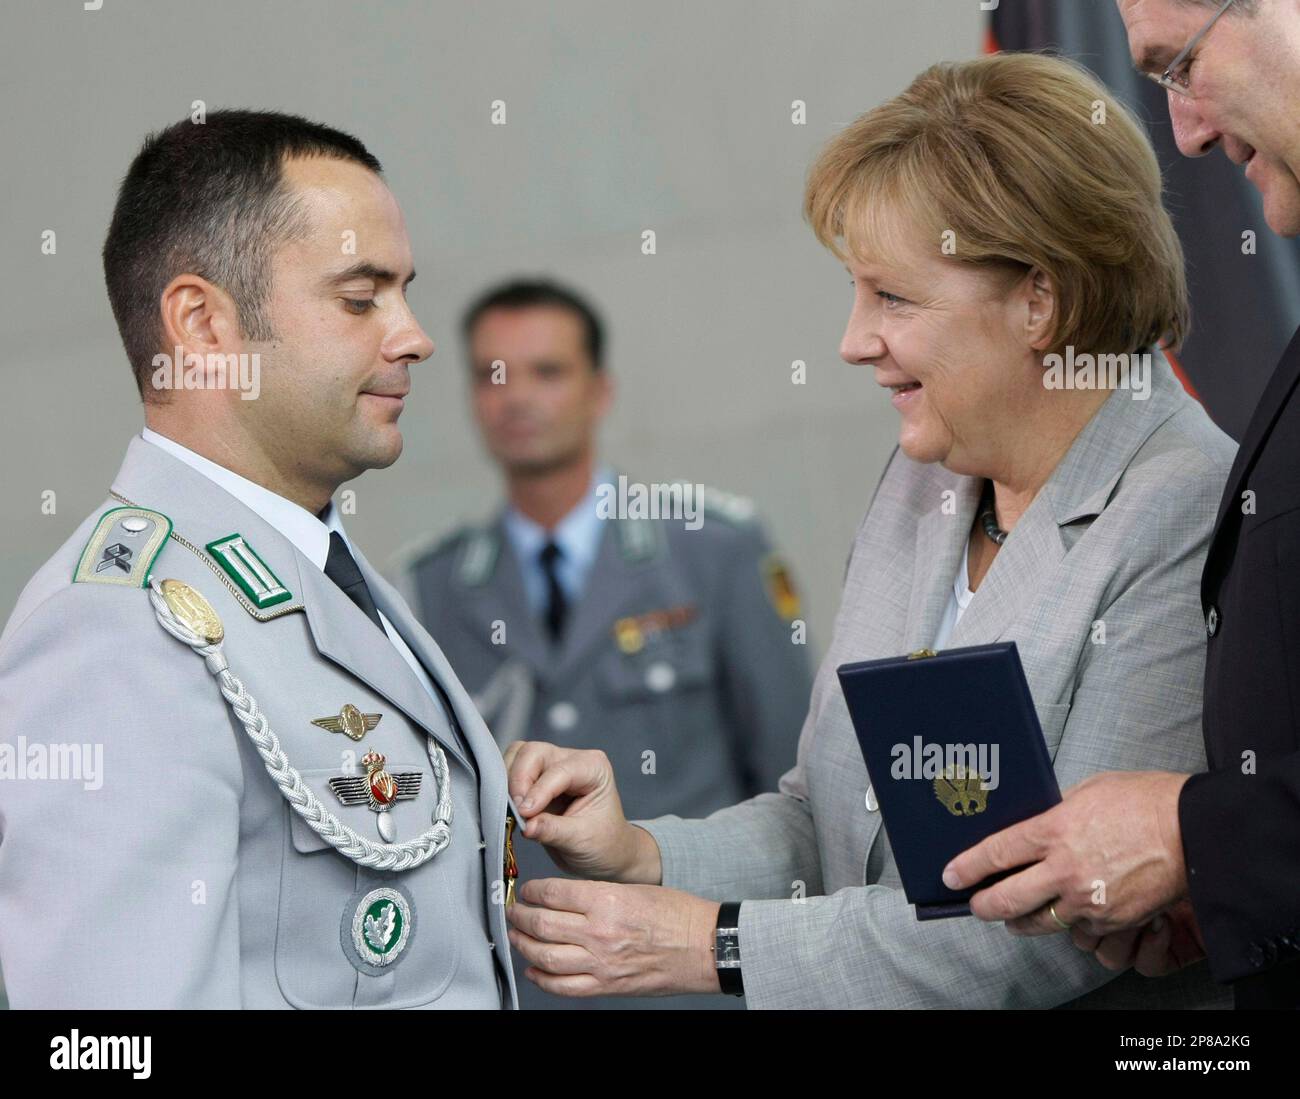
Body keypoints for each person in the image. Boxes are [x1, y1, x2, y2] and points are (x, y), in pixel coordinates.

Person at [499, 53, 1236, 1008]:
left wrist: (713, 946)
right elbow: (825, 822)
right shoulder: (925, 473)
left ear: (1039, 301)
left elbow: (1055, 934)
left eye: (892, 297)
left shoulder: (1186, 504)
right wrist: (643, 850)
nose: (852, 340)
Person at [0, 111, 518, 1008]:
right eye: (361, 298)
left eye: (404, 293)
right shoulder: (117, 628)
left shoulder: (318, 561)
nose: (414, 336)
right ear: (201, 325)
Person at [946, 0, 1300, 1010]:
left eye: (1181, 64)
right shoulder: (914, 503)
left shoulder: (1165, 484)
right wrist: (1221, 879)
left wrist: (1192, 835)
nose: (1182, 132)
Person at [394, 279, 813, 1008]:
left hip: (687, 984)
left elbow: (793, 782)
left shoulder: (713, 550)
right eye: (493, 374)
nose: (517, 396)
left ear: (601, 390)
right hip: (522, 988)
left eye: (547, 371)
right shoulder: (432, 587)